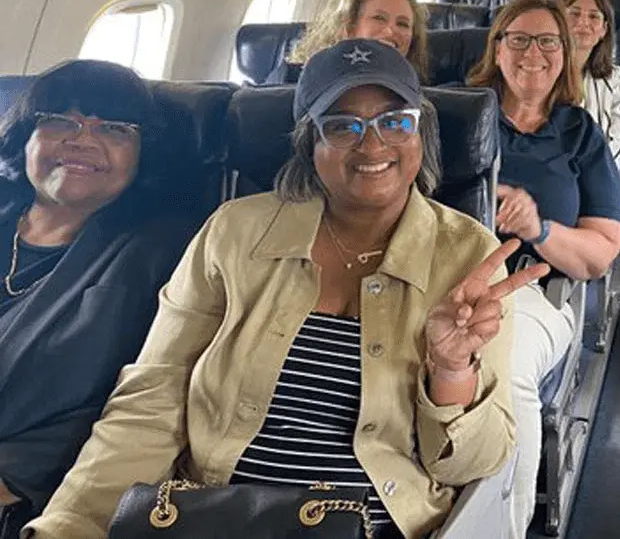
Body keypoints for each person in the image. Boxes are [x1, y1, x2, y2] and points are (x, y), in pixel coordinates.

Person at [25, 40, 542, 539]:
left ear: (420, 133)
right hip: (213, 517)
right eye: (341, 126)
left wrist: (451, 371)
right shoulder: (234, 233)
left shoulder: (466, 255)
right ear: (309, 144)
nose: (372, 144)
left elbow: (472, 466)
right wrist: (70, 526)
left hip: (371, 525)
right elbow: (151, 402)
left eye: (394, 121)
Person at [0, 61, 197, 539]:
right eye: (59, 121)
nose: (81, 140)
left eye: (113, 128)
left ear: (143, 154)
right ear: (26, 137)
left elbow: (133, 402)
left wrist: (14, 480)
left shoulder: (163, 252)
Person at [468, 0, 620, 538]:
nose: (533, 53)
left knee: (505, 372)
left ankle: (506, 527)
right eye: (519, 39)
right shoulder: (459, 116)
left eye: (547, 42)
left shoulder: (579, 132)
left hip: (530, 289)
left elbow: (601, 253)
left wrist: (539, 229)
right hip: (440, 277)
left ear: (564, 52)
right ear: (497, 48)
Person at [291, 0, 430, 82]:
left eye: (402, 24)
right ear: (349, 26)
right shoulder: (307, 85)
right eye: (379, 18)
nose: (390, 31)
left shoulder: (418, 102)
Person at [564, 0, 620, 165]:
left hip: (599, 171)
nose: (583, 23)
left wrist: (596, 174)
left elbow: (619, 139)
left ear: (603, 30)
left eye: (593, 17)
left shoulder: (613, 77)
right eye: (574, 14)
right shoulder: (541, 74)